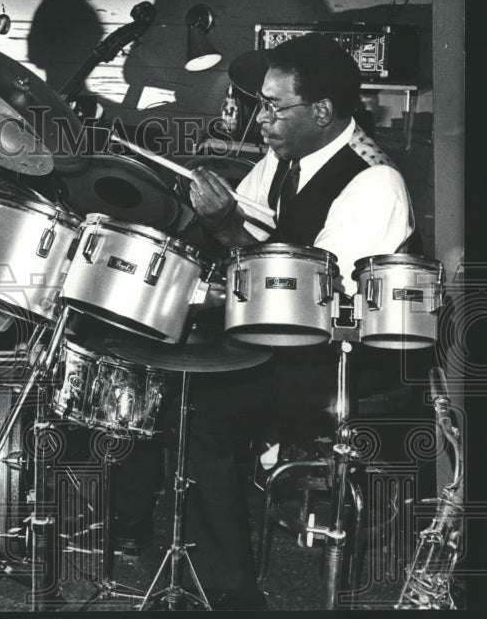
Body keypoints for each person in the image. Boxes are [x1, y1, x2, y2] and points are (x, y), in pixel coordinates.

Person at [174, 33, 416, 609]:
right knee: (176, 373)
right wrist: (211, 220)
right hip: (294, 341)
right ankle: (185, 554)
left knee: (203, 412)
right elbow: (250, 234)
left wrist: (227, 230)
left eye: (274, 106)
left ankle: (232, 594)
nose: (261, 118)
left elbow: (308, 297)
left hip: (354, 360)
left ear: (323, 112)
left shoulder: (373, 181)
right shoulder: (282, 161)